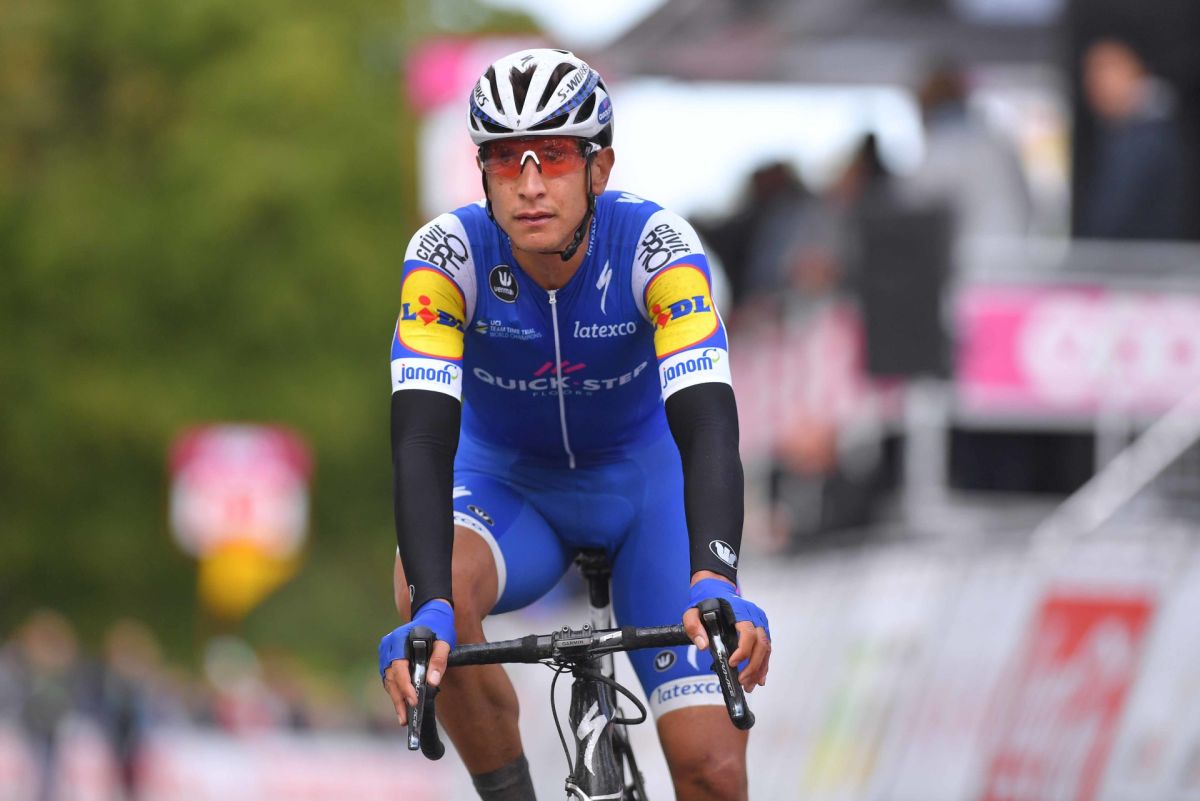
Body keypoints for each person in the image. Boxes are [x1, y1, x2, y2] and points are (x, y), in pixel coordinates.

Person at [377, 48, 772, 801]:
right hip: (509, 488)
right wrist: (429, 603)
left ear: (600, 168)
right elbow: (422, 441)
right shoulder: (445, 258)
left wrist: (715, 574)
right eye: (505, 160)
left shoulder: (658, 247)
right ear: (482, 172)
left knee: (712, 771)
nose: (529, 185)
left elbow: (709, 425)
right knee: (428, 589)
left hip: (643, 489)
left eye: (555, 156)